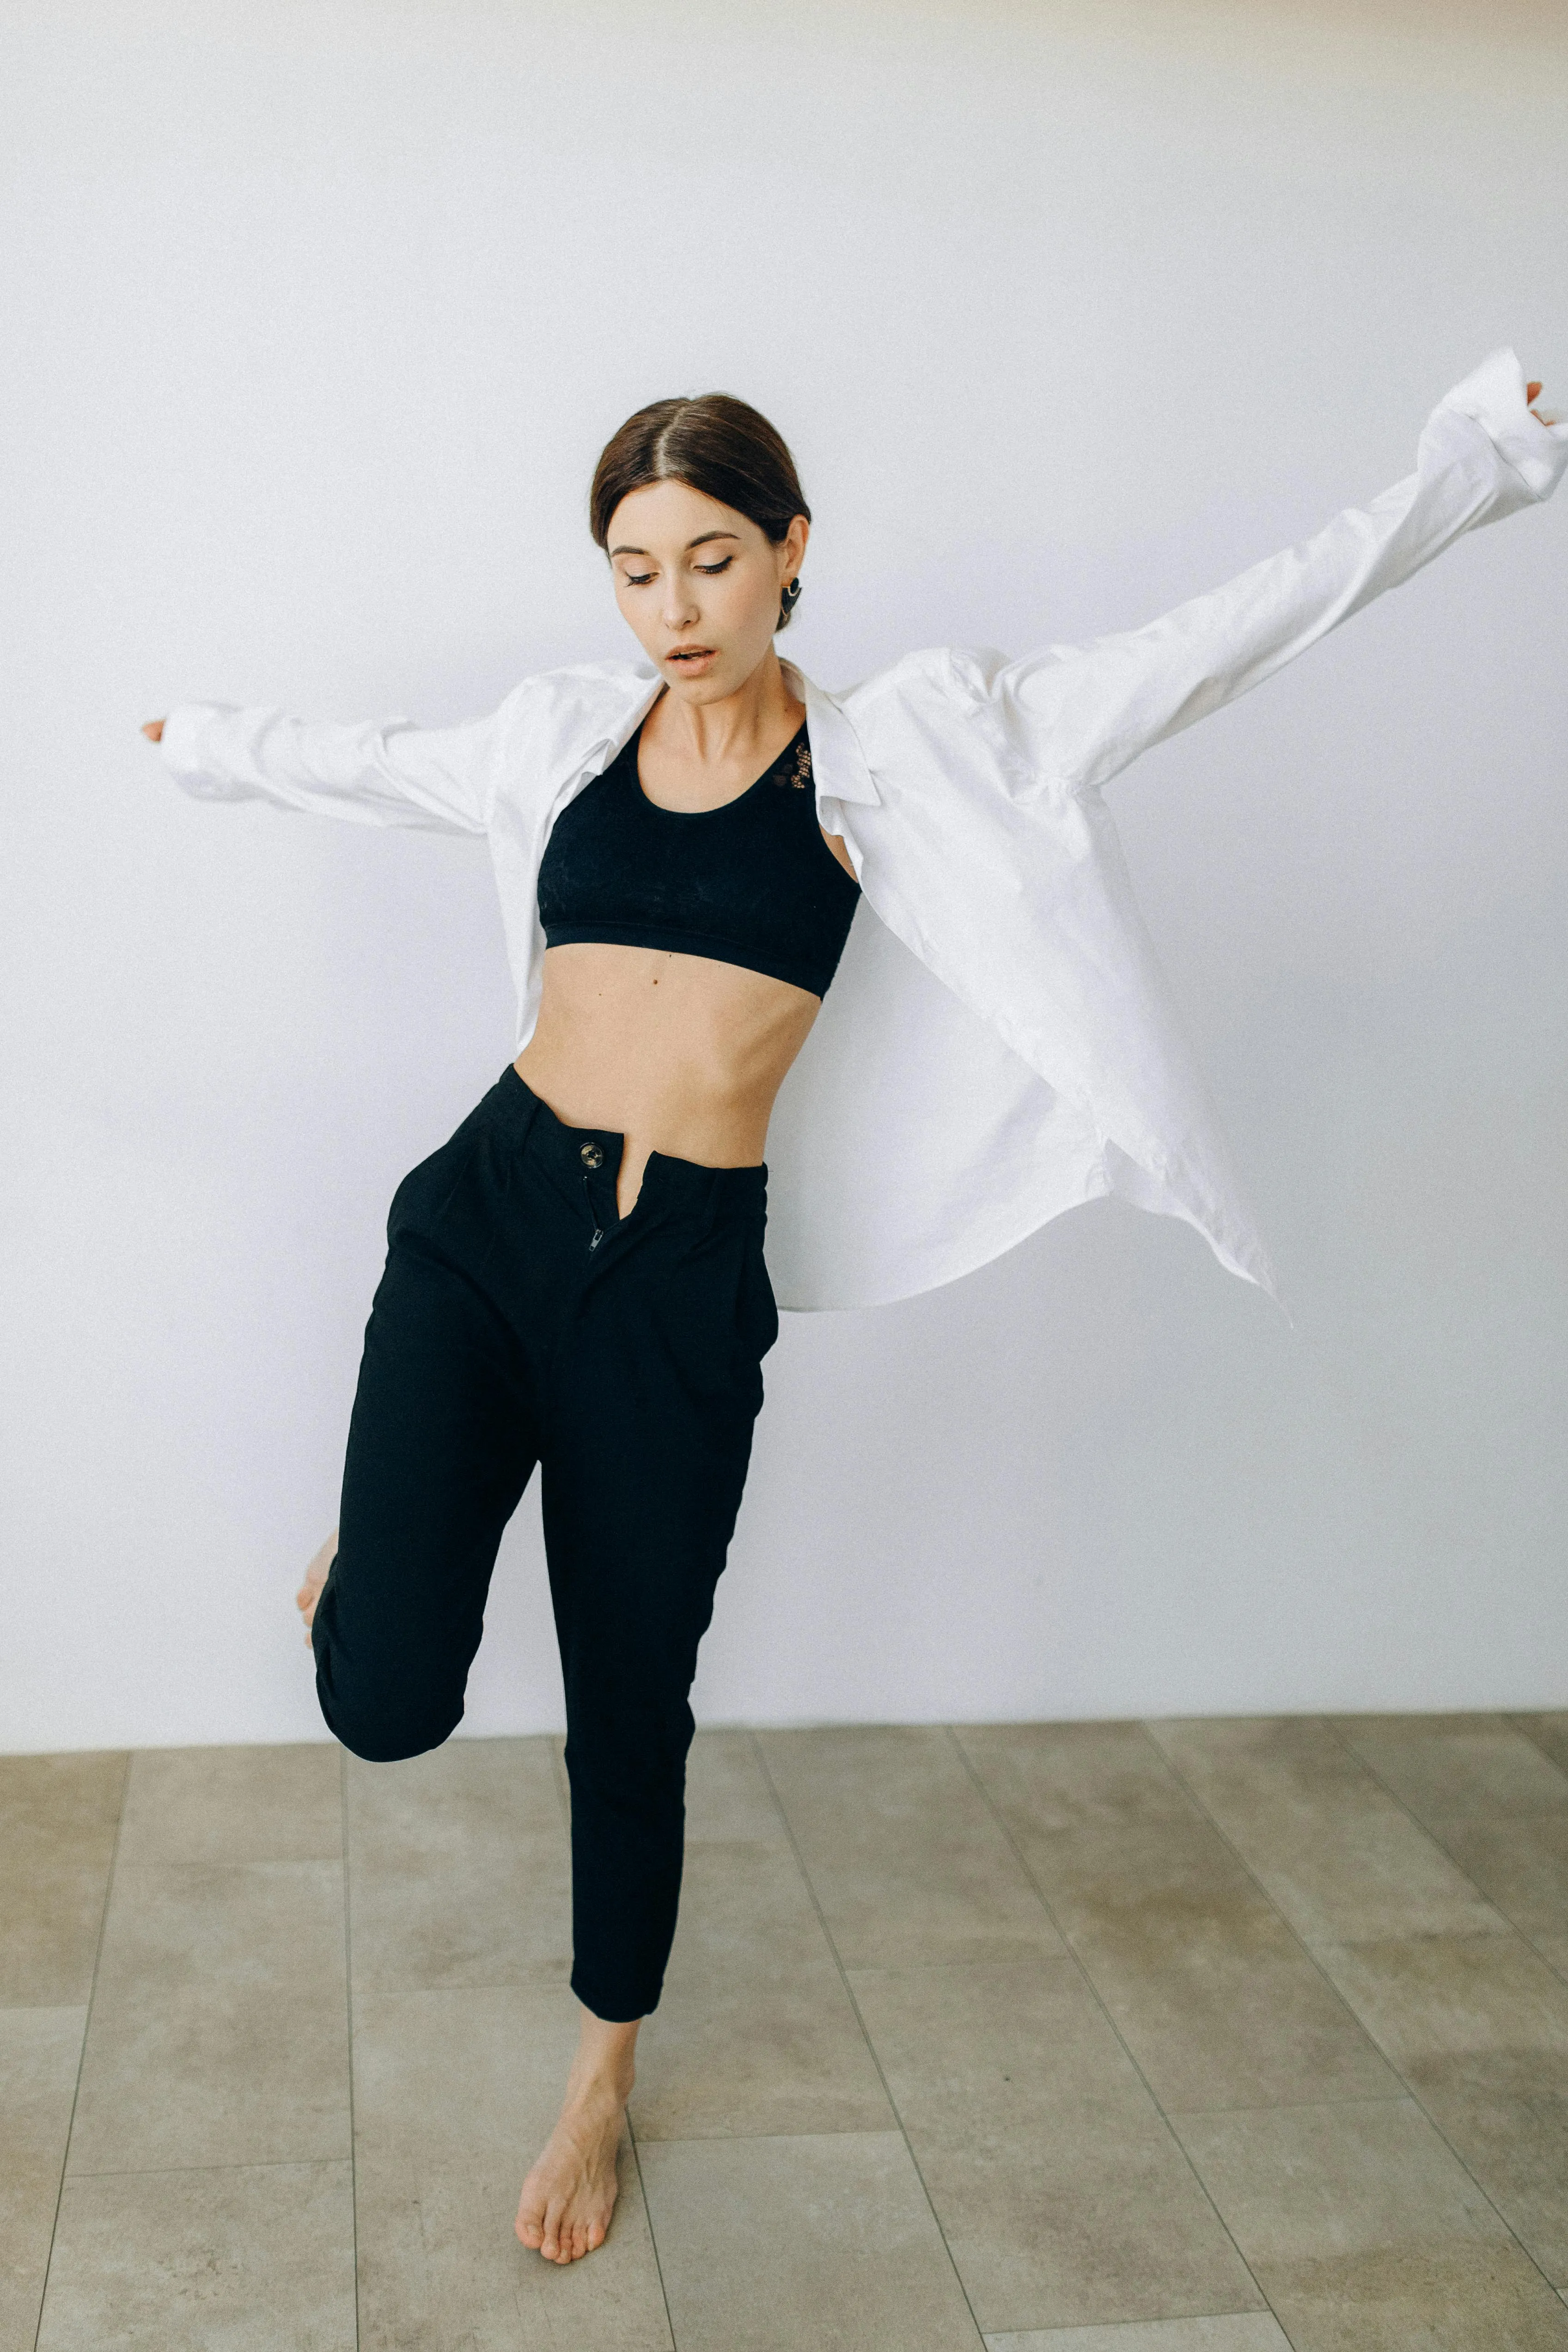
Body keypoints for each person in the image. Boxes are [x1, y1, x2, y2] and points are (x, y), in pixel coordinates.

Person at [143, 353, 1564, 2266]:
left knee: (627, 1701)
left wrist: (1472, 463)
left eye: (711, 563)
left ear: (793, 551)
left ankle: (599, 2078)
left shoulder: (921, 749)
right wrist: (205, 742)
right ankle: (373, 1565)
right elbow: (379, 764)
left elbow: (1224, 635)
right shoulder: (565, 734)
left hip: (674, 1286)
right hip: (482, 1224)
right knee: (386, 1706)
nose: (674, 614)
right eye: (636, 572)